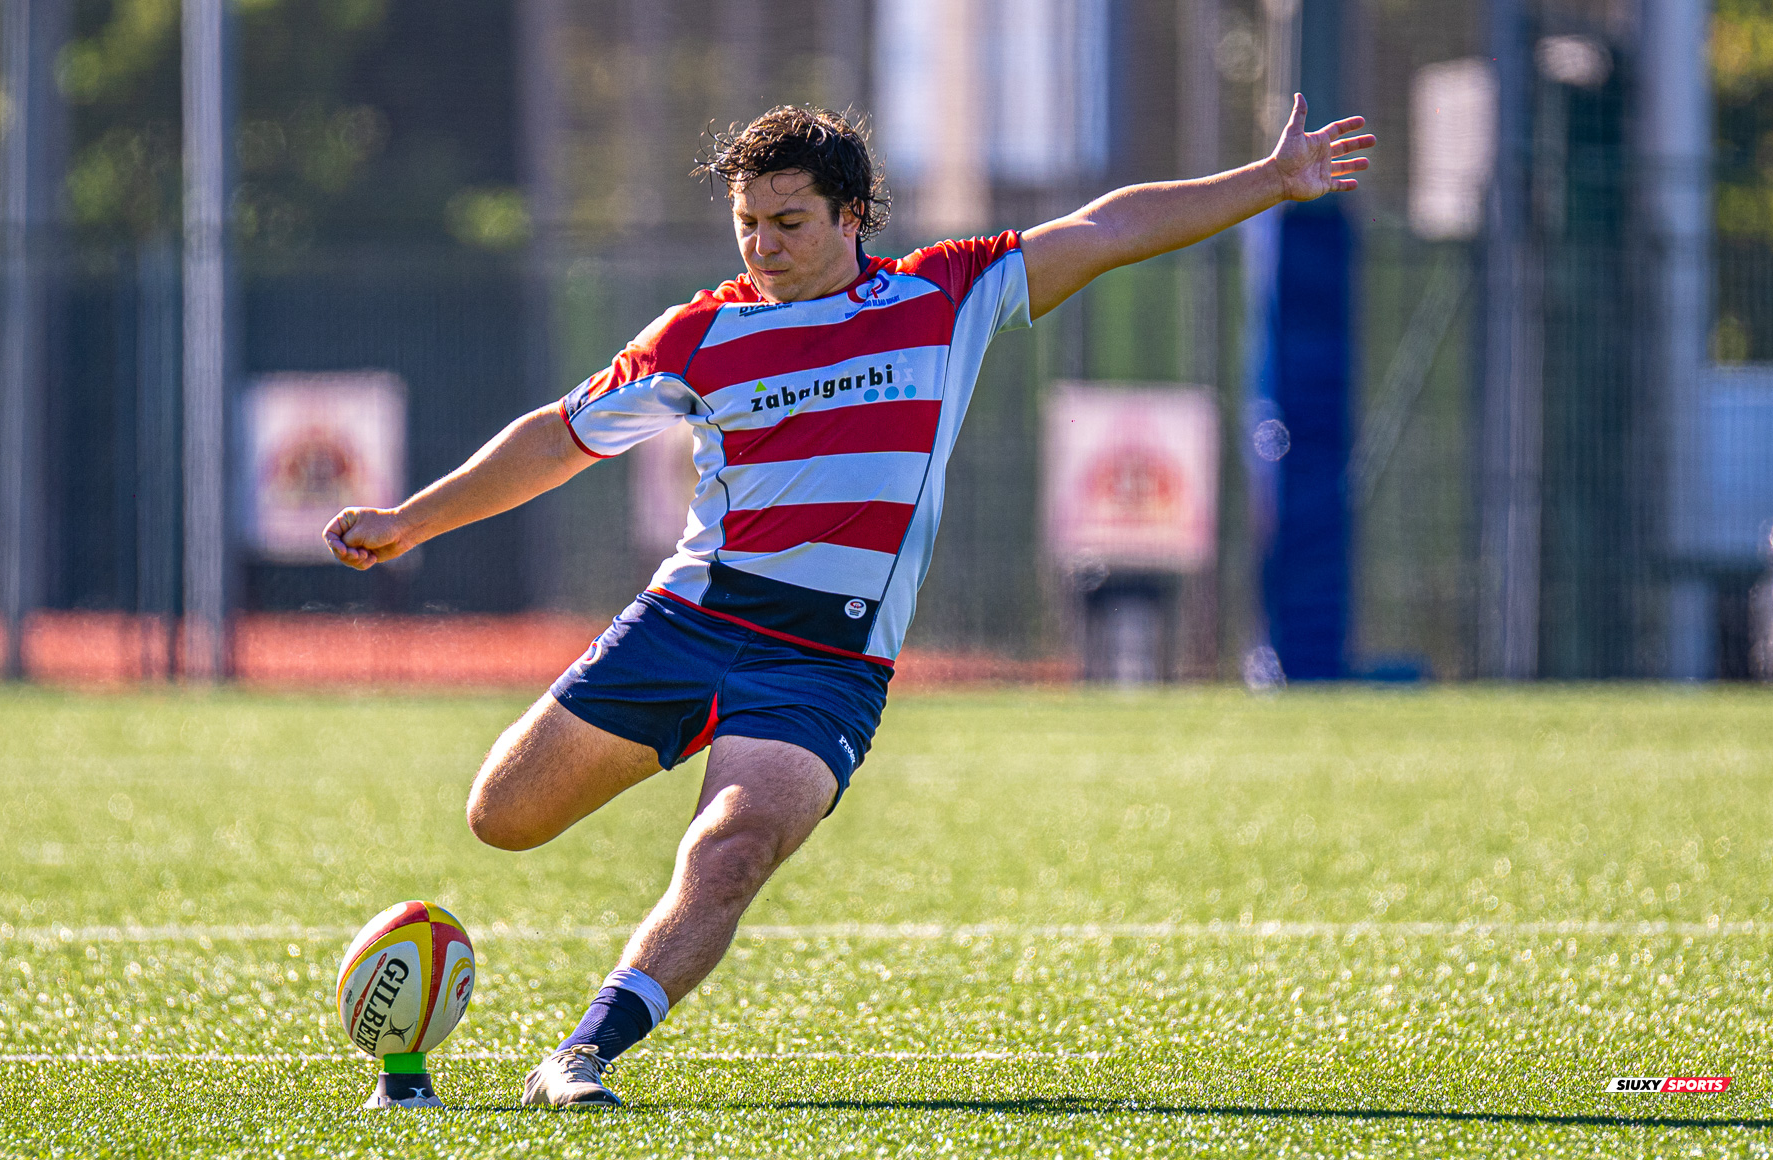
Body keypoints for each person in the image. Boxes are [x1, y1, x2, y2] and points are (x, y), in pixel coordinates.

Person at [324, 97, 1373, 1107]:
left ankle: (583, 1054)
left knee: (730, 852)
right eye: (746, 226)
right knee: (501, 818)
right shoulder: (697, 337)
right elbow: (559, 436)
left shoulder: (942, 299)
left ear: (852, 217)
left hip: (821, 666)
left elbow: (1104, 229)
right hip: (687, 623)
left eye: (787, 224)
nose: (761, 250)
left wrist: (1272, 181)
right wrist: (412, 520)